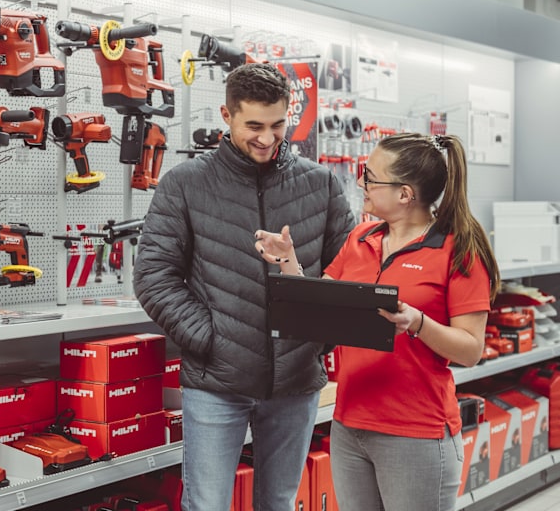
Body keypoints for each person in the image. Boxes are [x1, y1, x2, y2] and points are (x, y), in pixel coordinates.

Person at [133, 63, 355, 510]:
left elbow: (350, 275)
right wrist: (212, 340)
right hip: (217, 382)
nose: (267, 138)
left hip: (295, 382)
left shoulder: (321, 184)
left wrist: (314, 342)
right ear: (226, 115)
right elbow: (154, 277)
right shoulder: (186, 183)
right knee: (208, 504)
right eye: (254, 125)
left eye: (277, 125)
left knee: (278, 502)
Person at [254, 133, 500, 511]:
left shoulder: (458, 250)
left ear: (404, 194)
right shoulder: (360, 238)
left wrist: (418, 322)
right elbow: (319, 307)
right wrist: (289, 261)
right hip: (350, 425)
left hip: (415, 431)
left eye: (370, 177)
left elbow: (471, 350)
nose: (360, 183)